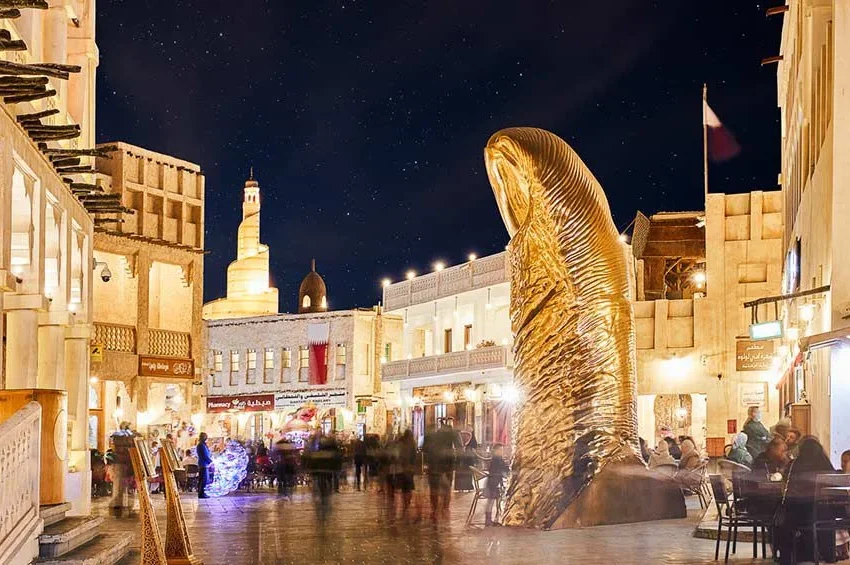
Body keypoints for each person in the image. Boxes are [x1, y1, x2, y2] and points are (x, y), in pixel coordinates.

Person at [774, 437, 842, 564]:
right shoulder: (825, 465)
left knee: (783, 518)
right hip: (824, 514)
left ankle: (789, 556)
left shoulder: (793, 465)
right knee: (827, 515)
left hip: (799, 513)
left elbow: (786, 488)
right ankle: (827, 553)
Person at [422, 421, 461, 520]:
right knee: (447, 488)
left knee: (434, 488)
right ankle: (445, 508)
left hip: (434, 464)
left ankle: (435, 508)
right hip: (447, 464)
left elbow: (424, 449)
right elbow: (459, 447)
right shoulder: (452, 434)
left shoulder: (431, 435)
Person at [485, 444, 509, 527]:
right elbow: (504, 470)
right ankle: (489, 520)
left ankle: (493, 519)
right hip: (494, 483)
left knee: (495, 501)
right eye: (500, 450)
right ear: (495, 451)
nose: (502, 452)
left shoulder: (495, 459)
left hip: (493, 482)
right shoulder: (497, 460)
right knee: (491, 501)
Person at [196, 432, 212, 499]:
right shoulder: (201, 445)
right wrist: (211, 461)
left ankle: (202, 493)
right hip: (203, 464)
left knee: (202, 479)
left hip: (203, 464)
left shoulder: (201, 445)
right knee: (203, 480)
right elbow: (205, 455)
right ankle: (201, 493)